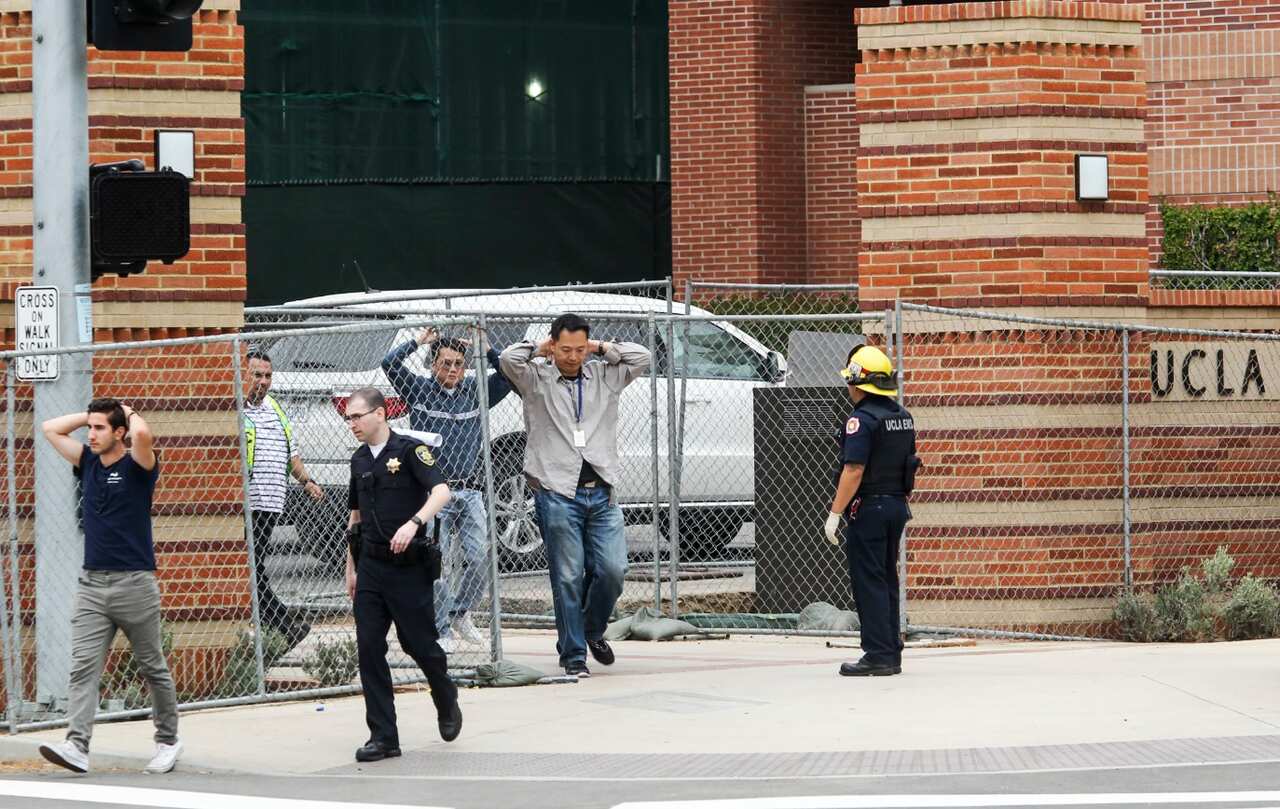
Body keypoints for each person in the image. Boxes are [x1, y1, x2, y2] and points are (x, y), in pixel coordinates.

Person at [499, 313, 651, 678]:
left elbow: (642, 357)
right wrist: (540, 349)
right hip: (557, 492)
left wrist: (600, 348)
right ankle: (574, 655)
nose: (572, 356)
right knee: (567, 576)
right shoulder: (535, 379)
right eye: (565, 349)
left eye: (580, 349)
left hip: (602, 491)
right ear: (553, 345)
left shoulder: (604, 376)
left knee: (613, 570)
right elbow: (507, 359)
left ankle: (591, 630)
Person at [37, 399, 183, 774]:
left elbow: (143, 433)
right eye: (90, 427)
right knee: (83, 668)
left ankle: (168, 741)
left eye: (100, 428)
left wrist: (126, 409)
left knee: (152, 667)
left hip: (135, 584)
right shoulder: (87, 461)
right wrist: (91, 415)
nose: (91, 434)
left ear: (119, 433)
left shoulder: (138, 465)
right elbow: (50, 428)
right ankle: (76, 746)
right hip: (92, 585)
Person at [343, 386, 462, 761]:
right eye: (348, 418)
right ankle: (383, 737)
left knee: (419, 644)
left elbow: (441, 492)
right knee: (369, 648)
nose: (352, 424)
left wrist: (414, 523)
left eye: (357, 416)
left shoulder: (410, 450)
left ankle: (444, 693)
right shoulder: (359, 460)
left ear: (380, 414)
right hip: (371, 566)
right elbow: (355, 517)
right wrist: (351, 568)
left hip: (408, 568)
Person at [382, 327, 511, 651]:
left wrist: (487, 349)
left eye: (458, 364)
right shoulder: (419, 390)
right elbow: (389, 364)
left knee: (480, 558)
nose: (453, 370)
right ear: (433, 365)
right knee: (435, 564)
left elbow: (509, 375)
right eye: (446, 363)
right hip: (433, 494)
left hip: (469, 492)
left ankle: (459, 613)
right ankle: (441, 629)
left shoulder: (475, 390)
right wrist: (417, 342)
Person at [825, 345, 918, 677]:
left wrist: (835, 513)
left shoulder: (861, 420)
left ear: (859, 384)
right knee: (887, 579)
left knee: (869, 582)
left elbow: (854, 470)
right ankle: (890, 651)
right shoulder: (902, 417)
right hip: (896, 506)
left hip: (870, 509)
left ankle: (877, 654)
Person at [242, 348, 324, 649]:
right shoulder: (234, 408)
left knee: (252, 567)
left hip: (271, 502)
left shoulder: (275, 408)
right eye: (257, 375)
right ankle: (283, 626)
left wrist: (307, 481)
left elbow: (292, 455)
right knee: (250, 567)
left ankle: (276, 629)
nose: (263, 381)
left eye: (268, 376)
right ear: (242, 374)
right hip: (246, 502)